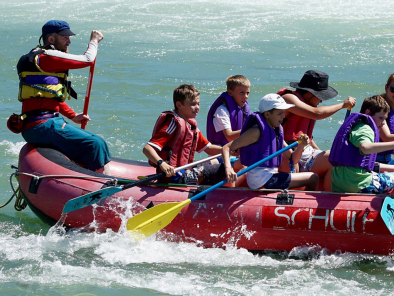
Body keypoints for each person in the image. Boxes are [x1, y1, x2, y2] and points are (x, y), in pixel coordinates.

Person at [11, 20, 111, 173]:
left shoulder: (35, 58)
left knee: (96, 144)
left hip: (38, 124)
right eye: (65, 38)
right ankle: (99, 187)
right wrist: (94, 41)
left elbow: (49, 97)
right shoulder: (46, 58)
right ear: (51, 39)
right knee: (96, 143)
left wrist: (73, 116)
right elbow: (88, 60)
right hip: (43, 125)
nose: (69, 42)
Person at [277, 70, 356, 190]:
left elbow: (307, 137)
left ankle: (327, 197)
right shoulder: (288, 99)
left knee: (336, 158)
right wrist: (342, 105)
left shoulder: (308, 104)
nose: (321, 101)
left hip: (305, 152)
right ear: (309, 94)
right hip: (287, 153)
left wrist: (319, 152)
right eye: (320, 97)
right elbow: (316, 114)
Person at [222, 93, 319, 191]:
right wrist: (228, 168)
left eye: (283, 112)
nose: (283, 116)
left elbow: (293, 159)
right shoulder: (256, 132)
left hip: (271, 177)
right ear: (267, 114)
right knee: (313, 178)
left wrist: (301, 145)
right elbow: (226, 148)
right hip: (262, 181)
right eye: (279, 113)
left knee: (307, 178)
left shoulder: (275, 131)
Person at [143, 84, 226, 185]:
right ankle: (227, 196)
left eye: (198, 104)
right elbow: (147, 149)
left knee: (214, 161)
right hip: (174, 177)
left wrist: (231, 150)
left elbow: (208, 148)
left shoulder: (190, 126)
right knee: (225, 169)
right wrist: (162, 164)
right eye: (193, 104)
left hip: (185, 170)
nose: (197, 108)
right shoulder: (173, 123)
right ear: (179, 105)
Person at [329, 95, 394, 193]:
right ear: (367, 113)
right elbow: (365, 147)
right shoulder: (365, 129)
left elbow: (364, 163)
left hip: (340, 182)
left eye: (384, 119)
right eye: (380, 118)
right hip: (356, 184)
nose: (383, 123)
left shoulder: (357, 125)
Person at [206, 75, 250, 146]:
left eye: (247, 93)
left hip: (236, 149)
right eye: (242, 93)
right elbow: (229, 136)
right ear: (230, 92)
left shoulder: (242, 108)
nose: (246, 96)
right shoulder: (222, 110)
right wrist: (251, 129)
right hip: (220, 152)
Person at [374, 73, 394, 164]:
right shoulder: (379, 106)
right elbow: (387, 138)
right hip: (373, 159)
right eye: (393, 89)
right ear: (386, 88)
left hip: (389, 159)